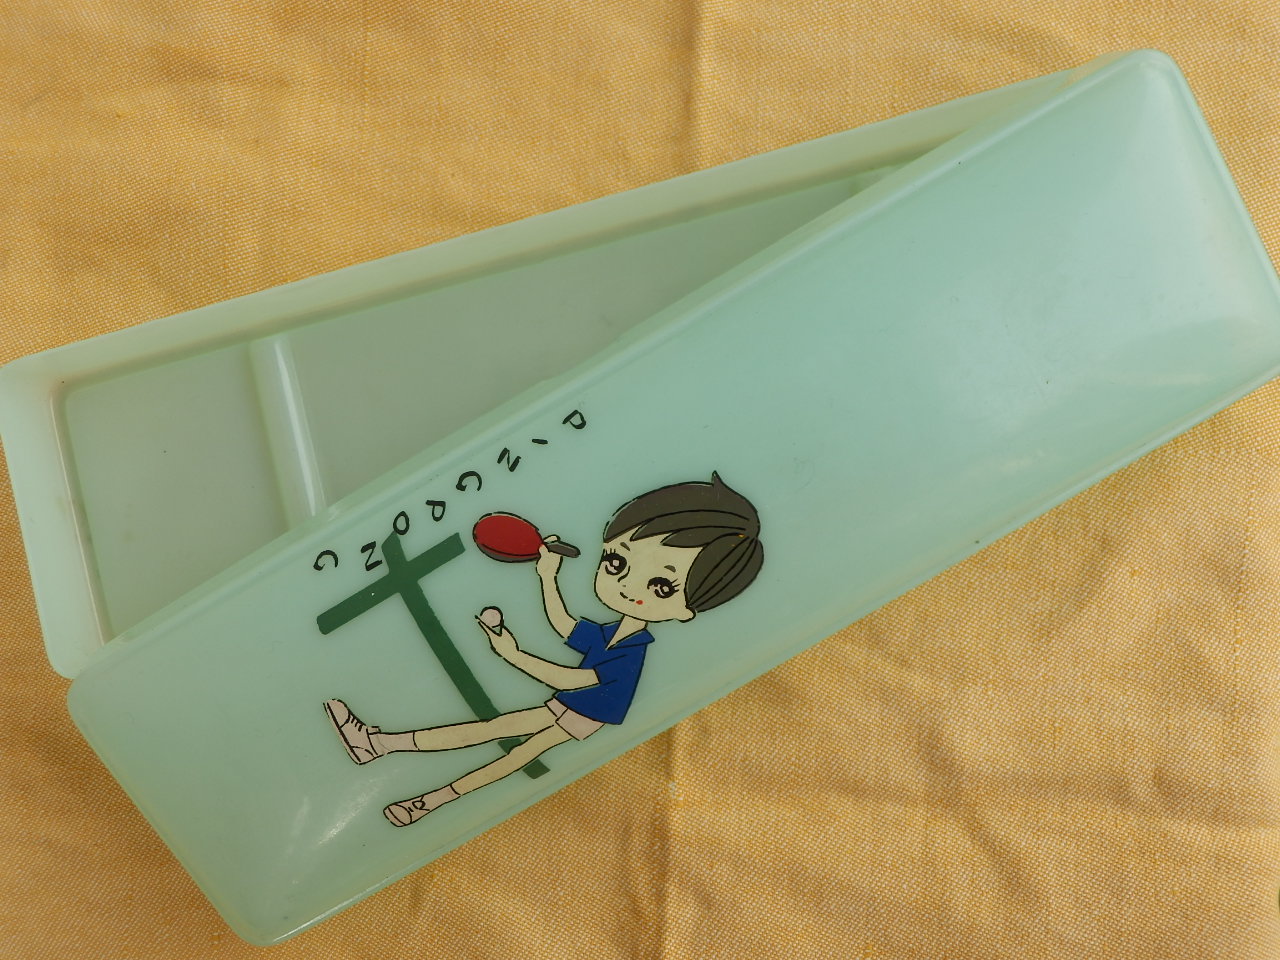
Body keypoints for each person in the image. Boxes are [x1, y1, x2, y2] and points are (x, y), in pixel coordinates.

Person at [324, 472, 763, 826]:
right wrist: (547, 575)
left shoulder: (632, 651)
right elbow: (565, 625)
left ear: (685, 611)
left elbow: (569, 679)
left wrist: (510, 653)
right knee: (498, 738)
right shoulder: (612, 631)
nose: (628, 586)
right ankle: (388, 756)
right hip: (573, 706)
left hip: (583, 713)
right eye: (616, 562)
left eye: (662, 586)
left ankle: (409, 780)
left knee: (506, 747)